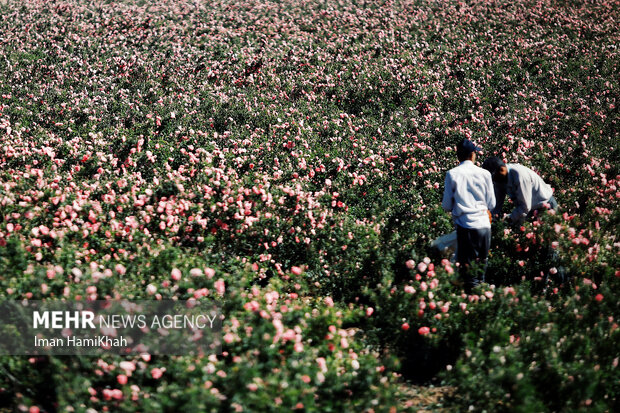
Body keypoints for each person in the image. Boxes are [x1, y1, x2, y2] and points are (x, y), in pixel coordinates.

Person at [442, 139, 495, 292]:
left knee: (467, 275)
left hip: (466, 227)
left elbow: (446, 205)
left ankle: (469, 308)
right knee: (480, 273)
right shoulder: (484, 174)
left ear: (458, 156)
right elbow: (491, 204)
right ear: (473, 155)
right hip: (484, 226)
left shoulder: (452, 174)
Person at [481, 157, 557, 224]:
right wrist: (491, 217)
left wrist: (509, 219)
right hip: (531, 208)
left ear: (502, 169)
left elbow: (525, 207)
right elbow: (497, 202)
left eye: (493, 177)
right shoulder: (499, 178)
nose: (493, 180)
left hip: (545, 206)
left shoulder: (520, 176)